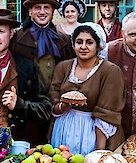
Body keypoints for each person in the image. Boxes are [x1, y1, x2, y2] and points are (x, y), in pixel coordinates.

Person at [0, 9, 52, 145]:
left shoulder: (27, 67)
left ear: (11, 34)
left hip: (16, 149)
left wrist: (20, 104)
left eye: (1, 31)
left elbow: (45, 111)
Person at [49, 22, 126, 155]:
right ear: (73, 45)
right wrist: (62, 107)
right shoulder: (63, 67)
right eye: (79, 42)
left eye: (89, 42)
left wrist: (99, 153)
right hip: (64, 127)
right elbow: (53, 95)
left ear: (98, 45)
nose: (83, 47)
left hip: (94, 132)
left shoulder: (110, 71)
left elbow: (106, 113)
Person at [10, 0, 72, 93]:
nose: (42, 12)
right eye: (37, 7)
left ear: (52, 11)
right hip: (28, 102)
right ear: (30, 11)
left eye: (46, 7)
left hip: (56, 101)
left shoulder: (64, 40)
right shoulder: (16, 39)